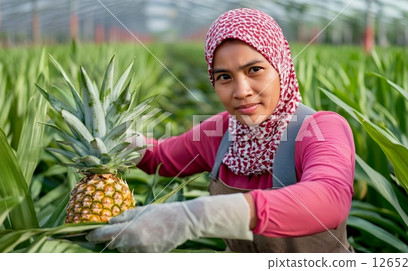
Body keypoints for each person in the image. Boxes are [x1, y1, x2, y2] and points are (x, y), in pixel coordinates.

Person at [87, 8, 355, 253]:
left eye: (255, 70)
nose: (242, 92)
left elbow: (330, 198)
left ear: (281, 66)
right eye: (224, 77)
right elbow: (161, 159)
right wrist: (117, 142)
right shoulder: (222, 131)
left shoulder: (319, 128)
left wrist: (196, 216)